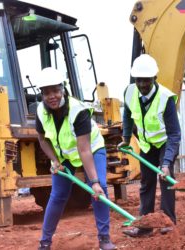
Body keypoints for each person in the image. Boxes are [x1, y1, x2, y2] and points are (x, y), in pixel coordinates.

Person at [35, 67, 116, 250]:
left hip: (92, 149)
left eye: (55, 90)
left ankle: (104, 239)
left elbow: (84, 149)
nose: (52, 96)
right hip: (65, 156)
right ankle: (45, 242)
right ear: (42, 94)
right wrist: (54, 160)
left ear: (63, 89)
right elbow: (42, 139)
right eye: (46, 93)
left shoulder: (78, 111)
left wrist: (93, 182)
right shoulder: (41, 111)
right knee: (57, 195)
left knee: (99, 189)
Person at [118, 54, 181, 237]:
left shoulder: (166, 98)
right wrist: (126, 137)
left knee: (165, 178)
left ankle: (168, 222)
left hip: (165, 142)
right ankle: (144, 226)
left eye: (146, 80)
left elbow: (174, 134)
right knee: (146, 182)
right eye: (139, 80)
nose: (142, 85)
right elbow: (128, 115)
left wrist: (166, 163)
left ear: (155, 78)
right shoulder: (129, 92)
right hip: (146, 145)